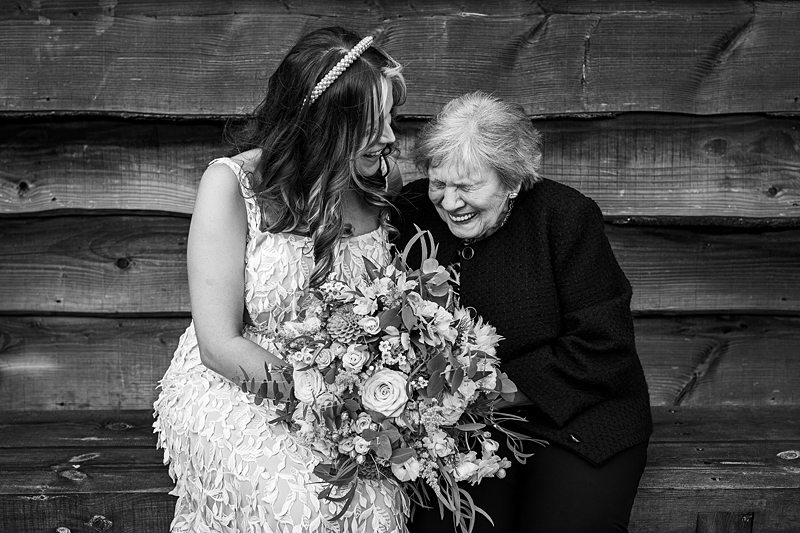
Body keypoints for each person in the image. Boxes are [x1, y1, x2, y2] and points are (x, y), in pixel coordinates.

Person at [153, 27, 410, 533]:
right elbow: (218, 342)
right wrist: (317, 398)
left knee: (375, 510)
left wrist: (366, 399)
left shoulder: (380, 182)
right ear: (321, 123)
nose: (390, 138)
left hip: (350, 390)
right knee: (301, 510)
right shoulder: (231, 185)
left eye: (391, 118)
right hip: (237, 382)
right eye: (372, 123)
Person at [394, 91, 653, 533]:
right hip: (461, 432)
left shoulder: (565, 217)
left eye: (468, 186)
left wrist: (487, 391)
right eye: (439, 183)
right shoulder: (412, 213)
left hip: (576, 418)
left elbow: (602, 343)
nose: (449, 202)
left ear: (512, 180)